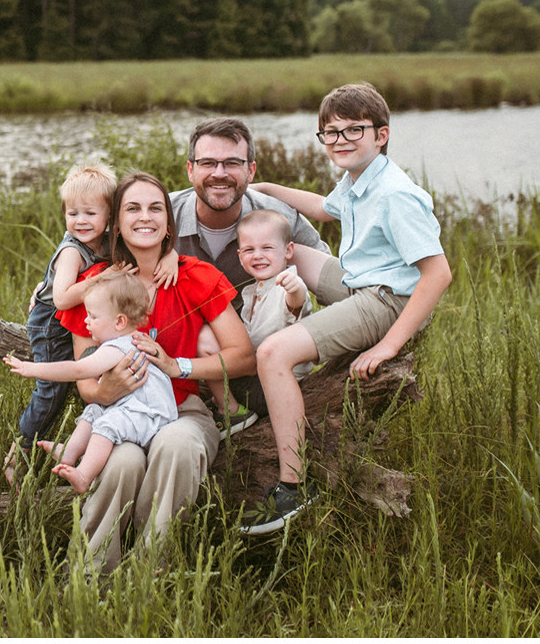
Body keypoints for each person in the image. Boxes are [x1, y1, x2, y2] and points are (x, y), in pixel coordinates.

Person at [243, 83, 453, 534]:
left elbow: (438, 274)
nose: (340, 140)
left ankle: (292, 486)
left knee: (272, 355)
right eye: (330, 132)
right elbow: (324, 209)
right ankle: (261, 318)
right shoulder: (360, 178)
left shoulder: (396, 194)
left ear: (381, 134)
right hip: (361, 283)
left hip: (387, 301)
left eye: (353, 129)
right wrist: (263, 188)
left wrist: (388, 346)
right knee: (289, 250)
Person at [56, 172, 255, 572]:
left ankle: (150, 570)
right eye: (132, 208)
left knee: (178, 444)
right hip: (118, 416)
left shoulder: (195, 275)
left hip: (182, 408)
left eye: (155, 208)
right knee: (123, 461)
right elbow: (84, 382)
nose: (144, 217)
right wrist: (106, 391)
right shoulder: (94, 285)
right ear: (116, 223)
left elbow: (243, 356)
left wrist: (175, 365)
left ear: (168, 222)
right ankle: (92, 574)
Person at [6, 163, 179, 483]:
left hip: (83, 319)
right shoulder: (72, 250)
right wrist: (105, 277)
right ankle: (20, 451)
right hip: (51, 325)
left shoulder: (106, 240)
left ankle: (67, 449)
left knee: (86, 392)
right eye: (73, 214)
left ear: (109, 217)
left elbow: (159, 218)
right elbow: (61, 300)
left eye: (90, 214)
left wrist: (170, 255)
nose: (81, 222)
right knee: (52, 391)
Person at [169, 117, 330, 424]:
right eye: (207, 163)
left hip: (260, 364)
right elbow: (97, 238)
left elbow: (332, 279)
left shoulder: (278, 216)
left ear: (250, 170)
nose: (220, 173)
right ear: (190, 169)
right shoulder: (161, 217)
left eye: (232, 162)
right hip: (181, 363)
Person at [5, 271, 179, 494]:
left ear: (119, 321)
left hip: (150, 417)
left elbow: (78, 369)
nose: (86, 320)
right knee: (95, 411)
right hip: (139, 410)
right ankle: (70, 452)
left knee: (108, 423)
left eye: (93, 317)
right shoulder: (130, 340)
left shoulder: (117, 347)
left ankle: (84, 475)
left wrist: (33, 369)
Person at [204, 209, 313, 435]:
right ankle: (219, 400)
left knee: (206, 346)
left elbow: (294, 305)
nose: (257, 255)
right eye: (249, 250)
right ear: (239, 255)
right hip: (259, 379)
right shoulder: (252, 291)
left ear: (288, 250)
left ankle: (231, 410)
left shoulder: (285, 284)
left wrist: (296, 290)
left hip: (277, 387)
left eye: (267, 248)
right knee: (211, 341)